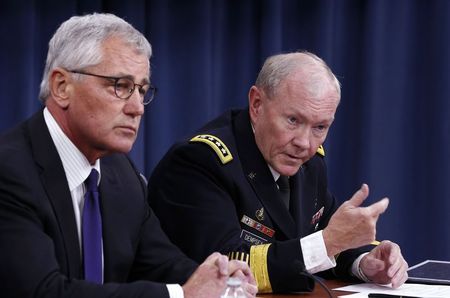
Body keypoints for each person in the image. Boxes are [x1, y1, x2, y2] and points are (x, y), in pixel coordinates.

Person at [0, 13, 257, 298]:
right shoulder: (9, 171)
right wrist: (181, 295)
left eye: (142, 90)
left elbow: (161, 264)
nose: (138, 108)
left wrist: (218, 278)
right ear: (62, 87)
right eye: (120, 86)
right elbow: (43, 292)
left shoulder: (120, 173)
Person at [148, 52, 409, 293]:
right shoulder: (201, 162)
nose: (305, 142)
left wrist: (365, 262)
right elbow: (227, 267)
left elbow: (323, 234)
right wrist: (329, 242)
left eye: (319, 127)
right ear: (257, 104)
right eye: (293, 120)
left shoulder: (309, 162)